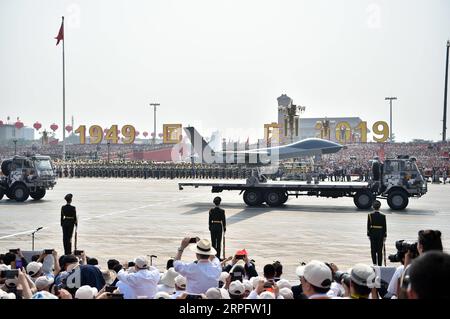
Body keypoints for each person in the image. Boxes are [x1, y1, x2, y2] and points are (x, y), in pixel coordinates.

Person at [367, 200, 387, 266]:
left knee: (373, 250)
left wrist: (368, 235)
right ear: (379, 207)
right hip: (380, 234)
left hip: (372, 233)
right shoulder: (383, 216)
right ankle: (380, 265)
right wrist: (385, 236)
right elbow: (384, 226)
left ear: (373, 207)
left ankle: (374, 264)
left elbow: (368, 226)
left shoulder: (370, 215)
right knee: (379, 250)